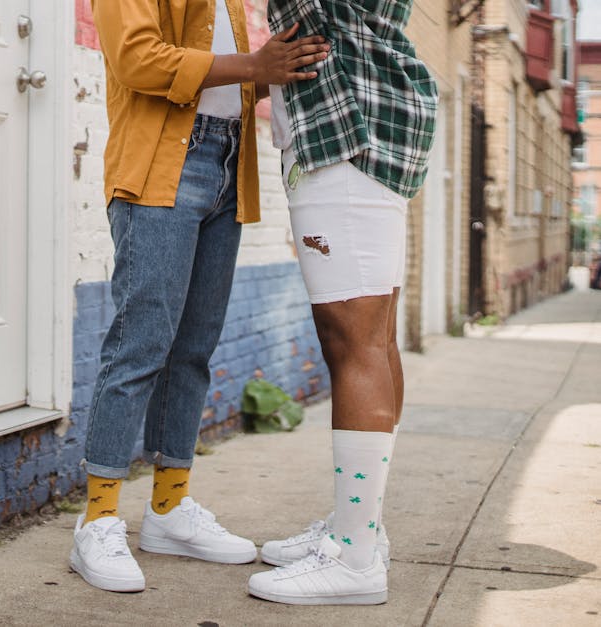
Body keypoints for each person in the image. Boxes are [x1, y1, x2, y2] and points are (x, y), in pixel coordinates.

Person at [71, 0, 330, 593]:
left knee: (193, 350)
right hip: (163, 167)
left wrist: (275, 71)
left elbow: (228, 78)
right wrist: (252, 63)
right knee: (141, 344)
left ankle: (168, 509)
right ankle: (98, 519)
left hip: (227, 164)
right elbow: (137, 60)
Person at [248, 0, 438, 605]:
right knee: (372, 340)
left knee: (353, 342)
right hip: (364, 129)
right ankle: (359, 529)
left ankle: (354, 560)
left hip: (344, 135)